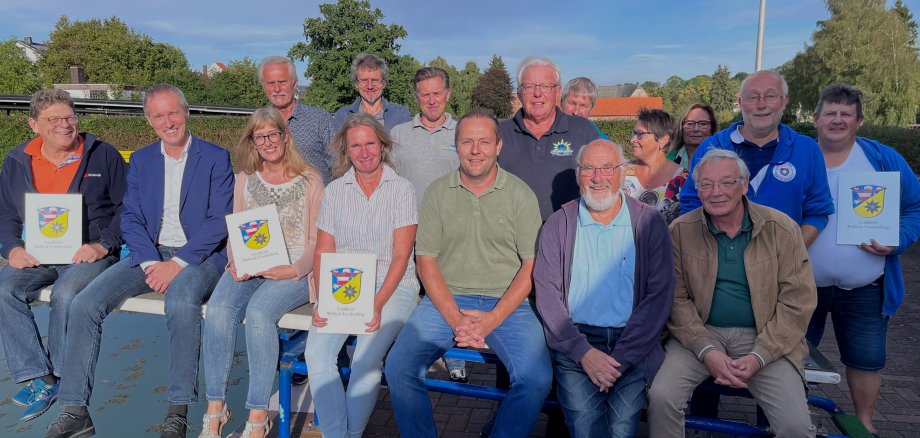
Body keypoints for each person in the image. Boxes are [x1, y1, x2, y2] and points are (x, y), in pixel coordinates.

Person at [45, 84, 234, 438]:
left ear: (187, 113)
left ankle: (177, 413)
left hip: (201, 256)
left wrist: (177, 265)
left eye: (173, 112)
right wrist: (150, 262)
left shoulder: (215, 157)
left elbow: (219, 219)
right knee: (85, 303)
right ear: (149, 120)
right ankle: (75, 410)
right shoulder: (143, 160)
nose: (168, 121)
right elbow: (131, 216)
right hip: (151, 254)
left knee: (180, 302)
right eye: (159, 115)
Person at [385, 110, 552, 437]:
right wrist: (455, 318)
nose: (476, 150)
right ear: (456, 146)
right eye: (467, 142)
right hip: (445, 297)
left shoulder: (520, 194)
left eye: (484, 142)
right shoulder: (436, 192)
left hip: (508, 302)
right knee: (399, 367)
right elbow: (426, 261)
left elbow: (530, 266)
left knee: (536, 379)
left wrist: (491, 319)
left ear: (498, 146)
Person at [648, 148, 817, 437]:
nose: (716, 192)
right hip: (699, 333)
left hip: (766, 335)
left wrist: (759, 356)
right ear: (697, 189)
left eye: (726, 182)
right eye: (706, 184)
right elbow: (675, 299)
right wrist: (707, 351)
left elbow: (797, 301)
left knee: (796, 426)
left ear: (744, 184)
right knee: (661, 397)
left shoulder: (781, 229)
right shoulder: (680, 230)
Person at [0, 89, 126, 423]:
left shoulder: (103, 155)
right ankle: (39, 376)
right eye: (53, 119)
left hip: (92, 253)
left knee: (66, 293)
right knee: (3, 287)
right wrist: (11, 248)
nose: (64, 125)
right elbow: (5, 214)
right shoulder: (15, 161)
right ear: (33, 125)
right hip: (39, 255)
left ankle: (56, 375)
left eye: (69, 117)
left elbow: (126, 209)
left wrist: (104, 245)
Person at [535, 139, 674, 437]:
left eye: (608, 168)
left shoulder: (649, 223)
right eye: (589, 169)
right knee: (586, 429)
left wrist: (620, 359)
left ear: (623, 173)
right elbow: (547, 295)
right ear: (578, 175)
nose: (598, 178)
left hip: (632, 344)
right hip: (575, 343)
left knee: (622, 431)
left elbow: (659, 297)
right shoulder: (558, 224)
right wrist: (583, 353)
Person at [199, 107, 324, 438]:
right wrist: (234, 259)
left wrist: (293, 269)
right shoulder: (245, 178)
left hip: (295, 267)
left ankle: (257, 416)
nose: (268, 142)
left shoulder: (311, 179)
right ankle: (215, 410)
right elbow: (235, 228)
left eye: (273, 134)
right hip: (250, 265)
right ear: (251, 141)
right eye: (260, 136)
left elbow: (317, 240)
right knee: (219, 310)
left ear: (286, 136)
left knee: (258, 313)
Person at [806, 83, 920, 435]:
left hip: (865, 287)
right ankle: (794, 420)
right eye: (830, 113)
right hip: (800, 285)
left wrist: (897, 240)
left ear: (859, 121)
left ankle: (864, 427)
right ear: (816, 119)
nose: (837, 120)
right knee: (789, 357)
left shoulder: (882, 159)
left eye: (846, 114)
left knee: (866, 362)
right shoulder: (799, 157)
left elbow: (914, 207)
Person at [304, 113, 419, 438]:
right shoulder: (336, 191)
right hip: (346, 286)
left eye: (370, 143)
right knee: (316, 353)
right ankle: (337, 434)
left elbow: (401, 255)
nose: (364, 151)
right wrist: (322, 300)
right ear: (346, 150)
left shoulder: (401, 189)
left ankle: (348, 435)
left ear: (382, 146)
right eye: (356, 145)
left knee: (366, 358)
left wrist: (378, 303)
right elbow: (324, 250)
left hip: (393, 286)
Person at [679, 70, 834, 247]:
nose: (762, 105)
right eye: (753, 97)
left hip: (783, 270)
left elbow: (818, 211)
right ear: (740, 102)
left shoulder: (807, 149)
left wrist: (788, 253)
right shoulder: (710, 147)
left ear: (784, 101)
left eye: (770, 96)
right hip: (719, 268)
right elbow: (691, 205)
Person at [390, 66, 469, 382]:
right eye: (425, 94)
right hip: (410, 233)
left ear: (448, 94)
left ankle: (452, 354)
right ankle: (411, 352)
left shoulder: (462, 131)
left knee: (447, 296)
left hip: (452, 234)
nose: (432, 100)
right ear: (416, 96)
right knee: (411, 295)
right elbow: (391, 183)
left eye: (437, 93)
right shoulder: (399, 135)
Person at [498, 57, 601, 220]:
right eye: (529, 86)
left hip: (568, 236)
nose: (537, 93)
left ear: (558, 92)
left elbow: (607, 175)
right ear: (519, 93)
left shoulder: (583, 130)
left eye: (546, 86)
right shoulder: (499, 133)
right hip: (511, 238)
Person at [258, 55, 337, 184]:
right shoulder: (258, 125)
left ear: (295, 83)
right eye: (271, 83)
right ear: (264, 87)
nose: (277, 89)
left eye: (282, 82)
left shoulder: (320, 120)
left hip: (317, 201)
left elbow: (338, 167)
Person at [622, 108, 688, 224]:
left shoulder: (684, 180)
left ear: (663, 140)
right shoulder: (621, 173)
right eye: (634, 133)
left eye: (640, 134)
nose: (632, 140)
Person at [333, 53, 411, 130]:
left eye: (374, 80)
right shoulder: (343, 116)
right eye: (364, 80)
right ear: (356, 84)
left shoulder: (400, 114)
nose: (370, 86)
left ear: (384, 83)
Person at [668, 103, 718, 168]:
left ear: (712, 129)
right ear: (681, 128)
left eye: (703, 124)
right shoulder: (668, 159)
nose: (696, 129)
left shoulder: (724, 159)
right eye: (690, 123)